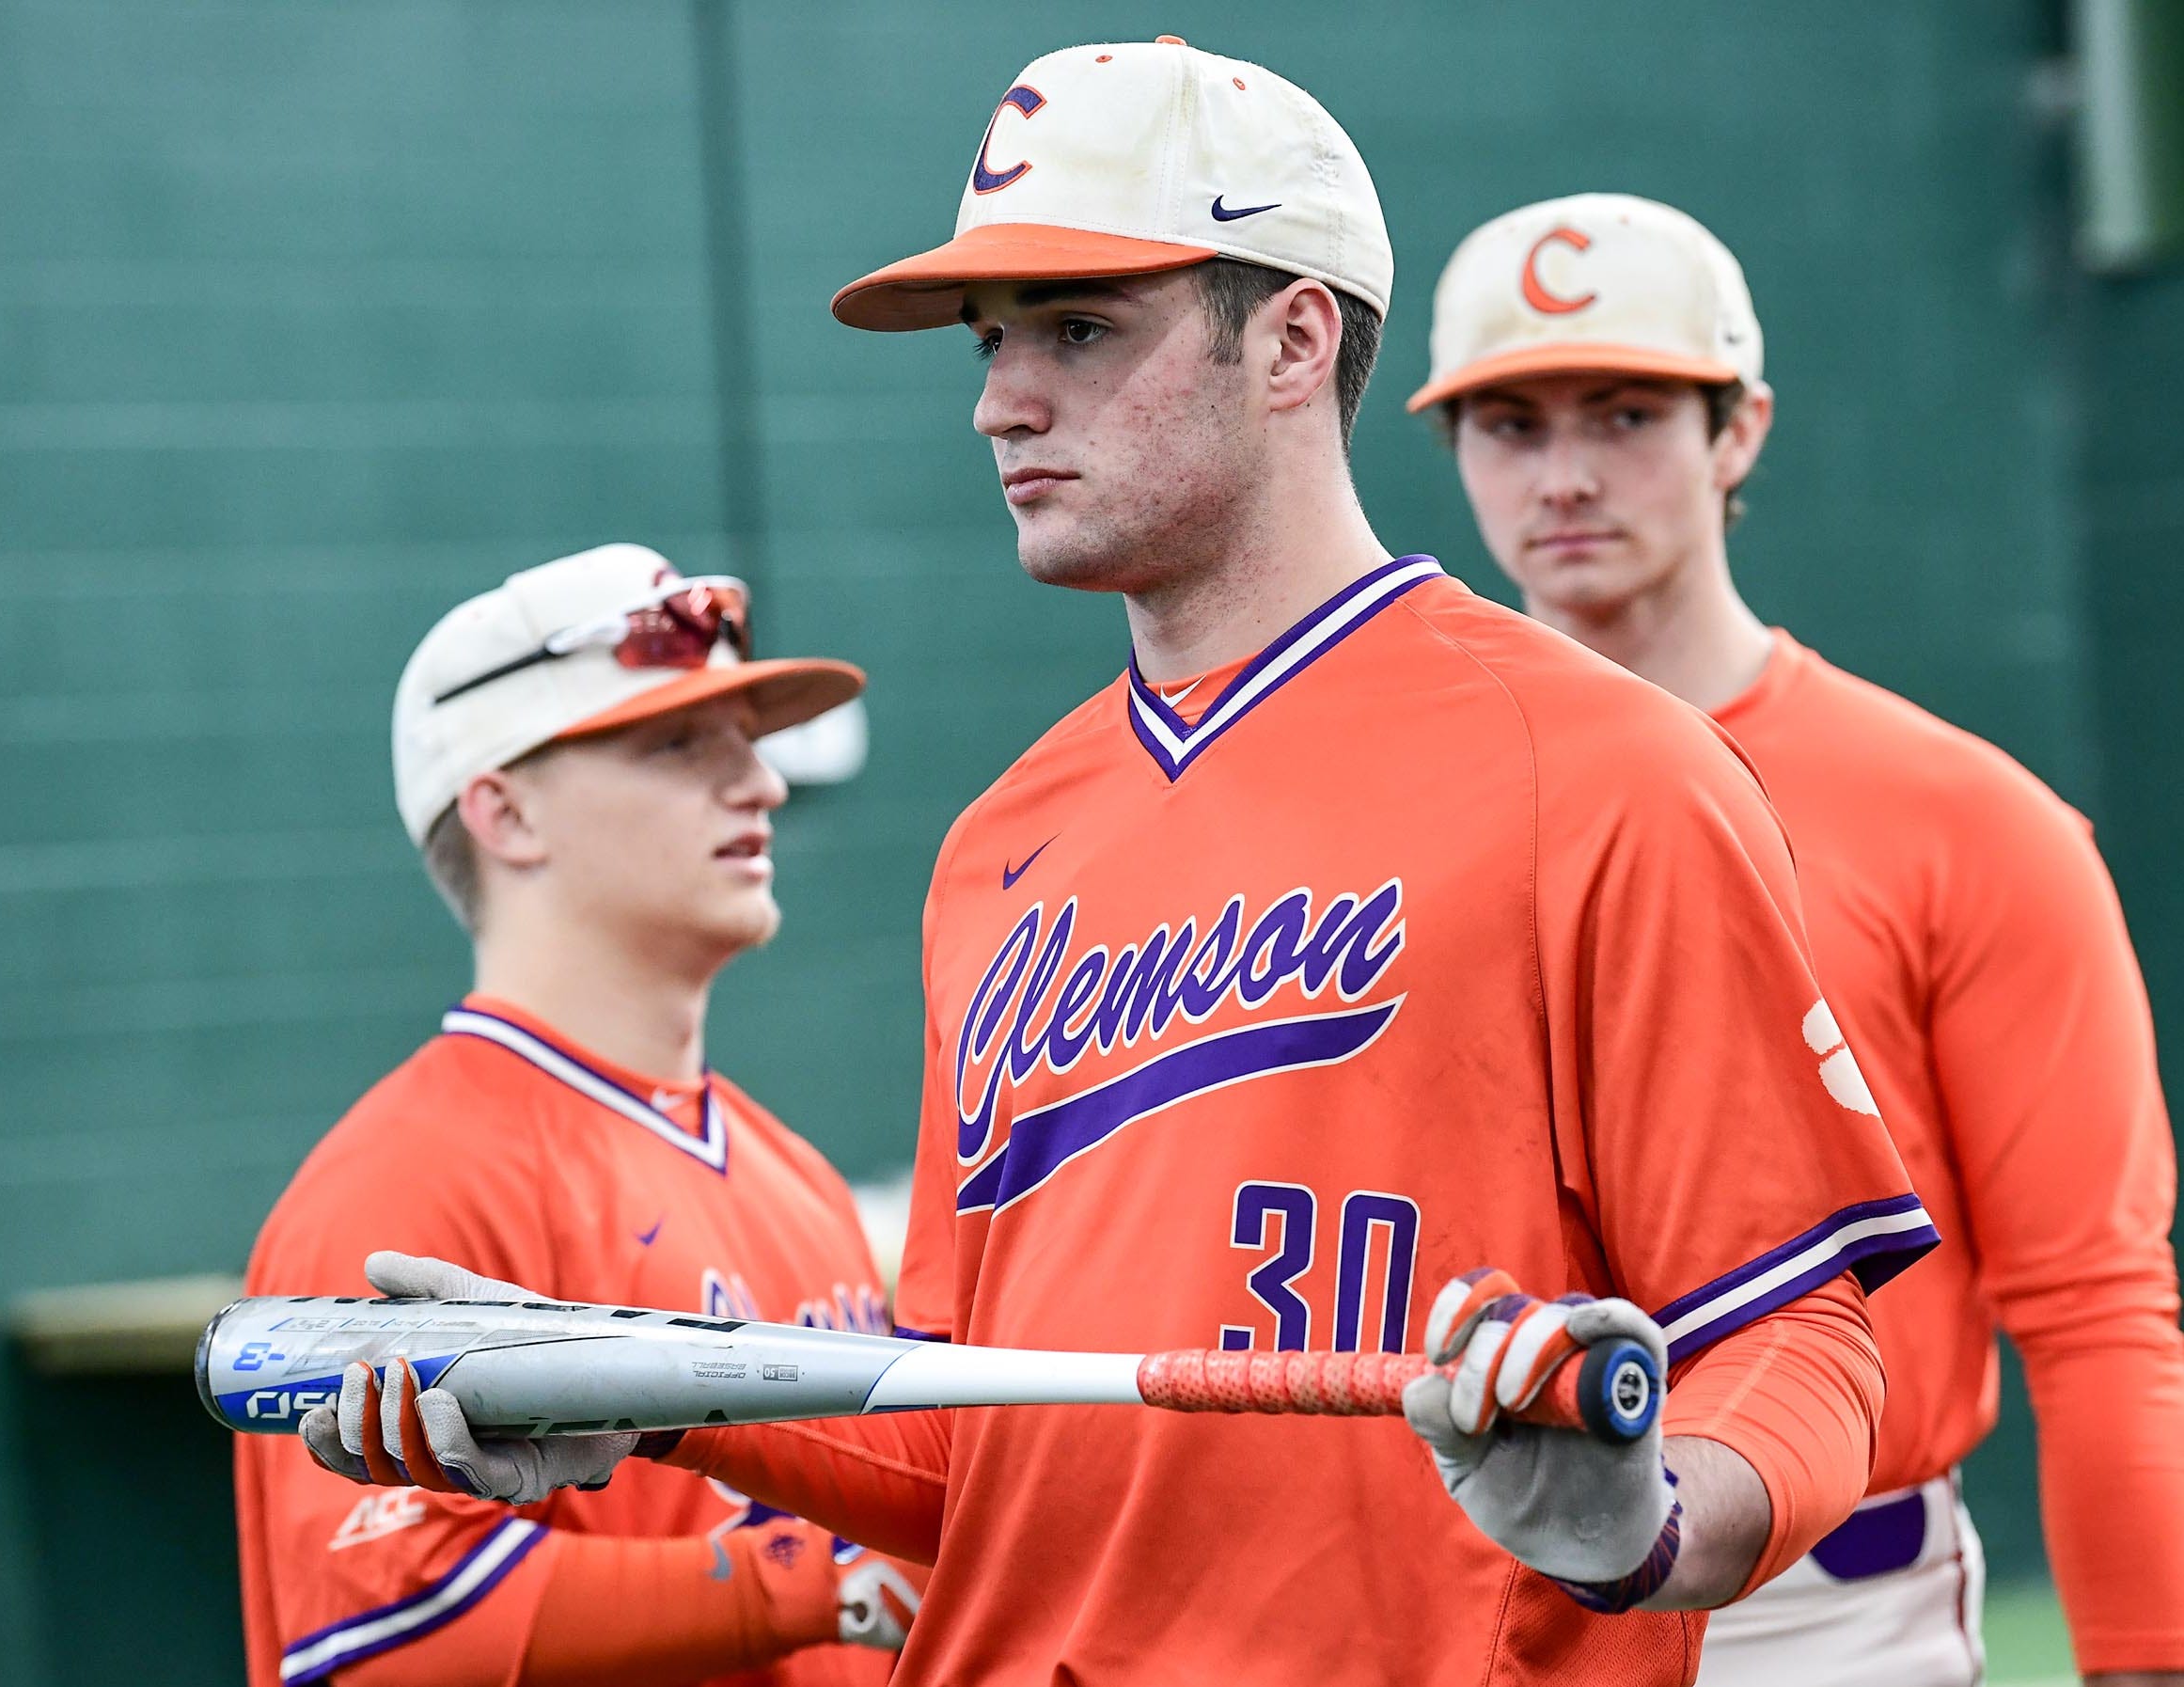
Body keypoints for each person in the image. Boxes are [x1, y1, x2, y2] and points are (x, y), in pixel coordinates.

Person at [302, 42, 1938, 1685]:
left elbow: (1801, 1330)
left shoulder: (1602, 767)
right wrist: (632, 1389)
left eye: (1080, 328)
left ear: (1293, 337)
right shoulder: (1002, 842)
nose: (1001, 397)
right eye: (994, 337)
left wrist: (1648, 1518)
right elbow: (972, 1441)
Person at [1408, 191, 2184, 1686]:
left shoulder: (1965, 816)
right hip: (1468, 1594)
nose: (1564, 474)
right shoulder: (1377, 810)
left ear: (1737, 430)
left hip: (1829, 1609)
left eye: (1624, 411)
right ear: (1452, 450)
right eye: (1508, 424)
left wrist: (2144, 1661)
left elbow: (2091, 1304)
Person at [237, 543, 921, 1686]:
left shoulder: (789, 1167)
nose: (761, 786)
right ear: (504, 813)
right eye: (676, 746)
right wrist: (818, 1580)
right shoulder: (407, 1186)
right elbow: (384, 1633)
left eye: (748, 744)